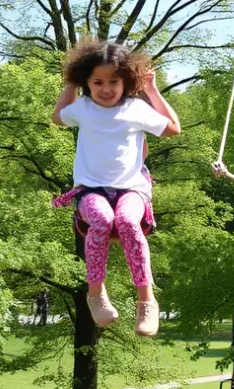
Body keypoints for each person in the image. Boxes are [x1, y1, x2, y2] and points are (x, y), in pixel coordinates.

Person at [52, 39, 181, 337]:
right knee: (101, 219)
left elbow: (173, 128)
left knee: (126, 221)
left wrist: (152, 91)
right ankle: (96, 294)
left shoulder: (135, 109)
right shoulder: (83, 108)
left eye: (114, 81)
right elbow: (58, 117)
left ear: (127, 82)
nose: (106, 89)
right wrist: (70, 86)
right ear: (87, 81)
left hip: (131, 190)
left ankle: (146, 300)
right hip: (90, 191)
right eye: (97, 82)